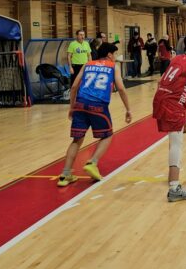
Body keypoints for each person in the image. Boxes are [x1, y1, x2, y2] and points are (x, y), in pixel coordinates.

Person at [56, 43, 132, 187]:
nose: (115, 57)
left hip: (80, 104)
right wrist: (128, 109)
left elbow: (74, 87)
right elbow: (121, 89)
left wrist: (72, 107)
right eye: (115, 54)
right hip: (98, 105)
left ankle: (65, 175)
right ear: (109, 54)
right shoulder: (113, 67)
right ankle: (92, 162)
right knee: (107, 135)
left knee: (76, 140)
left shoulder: (87, 64)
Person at [152, 34, 186, 202]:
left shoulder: (176, 58)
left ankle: (171, 178)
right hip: (172, 104)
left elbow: (160, 80)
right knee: (176, 143)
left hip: (160, 98)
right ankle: (174, 188)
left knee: (174, 138)